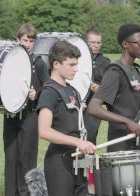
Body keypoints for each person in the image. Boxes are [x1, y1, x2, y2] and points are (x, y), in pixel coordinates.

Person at [37, 40, 96, 196]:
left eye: (76, 64)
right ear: (56, 64)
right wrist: (78, 142)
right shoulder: (49, 92)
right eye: (71, 65)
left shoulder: (72, 90)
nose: (76, 69)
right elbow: (44, 131)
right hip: (59, 162)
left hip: (79, 160)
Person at [3, 23, 49, 196]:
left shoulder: (39, 63)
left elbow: (48, 88)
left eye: (31, 41)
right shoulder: (10, 60)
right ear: (18, 40)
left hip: (30, 116)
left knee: (27, 159)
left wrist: (37, 94)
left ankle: (26, 193)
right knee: (10, 158)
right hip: (10, 115)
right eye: (24, 40)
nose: (28, 44)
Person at [87, 23, 140, 152]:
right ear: (125, 44)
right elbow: (93, 108)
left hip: (138, 141)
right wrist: (127, 122)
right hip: (120, 145)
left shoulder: (137, 71)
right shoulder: (115, 72)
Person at [83, 27, 111, 144]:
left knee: (90, 136)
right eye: (92, 42)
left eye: (98, 43)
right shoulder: (78, 58)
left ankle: (89, 162)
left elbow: (109, 88)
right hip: (77, 103)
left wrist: (99, 89)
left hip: (93, 106)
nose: (96, 45)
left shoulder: (105, 62)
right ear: (85, 42)